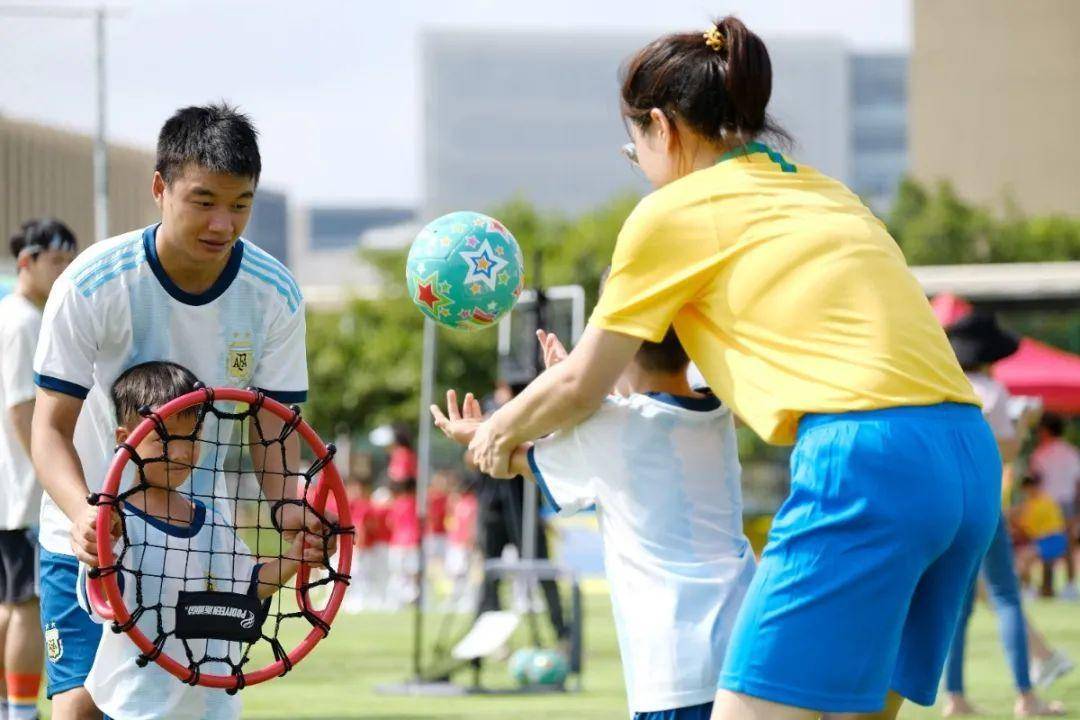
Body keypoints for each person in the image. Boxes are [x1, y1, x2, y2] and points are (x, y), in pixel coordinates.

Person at [461, 16, 1000, 719]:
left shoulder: (672, 211)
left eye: (636, 149)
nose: (642, 165)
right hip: (969, 458)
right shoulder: (826, 191)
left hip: (867, 461)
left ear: (663, 127)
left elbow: (581, 381)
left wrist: (496, 432)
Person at [30, 103, 315, 720]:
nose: (222, 222)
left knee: (189, 708)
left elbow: (275, 431)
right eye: (203, 199)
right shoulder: (92, 284)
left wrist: (289, 506)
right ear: (159, 188)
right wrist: (86, 515)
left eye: (240, 204)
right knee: (80, 705)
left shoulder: (274, 294)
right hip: (87, 538)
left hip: (195, 541)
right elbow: (49, 428)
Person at [434, 322, 754, 719]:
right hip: (748, 646)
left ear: (620, 353)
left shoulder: (612, 429)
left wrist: (477, 434)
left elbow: (516, 457)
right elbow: (637, 411)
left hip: (675, 665)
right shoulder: (718, 411)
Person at [74, 361, 327, 720]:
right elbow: (100, 599)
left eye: (191, 437)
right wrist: (97, 552)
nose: (180, 452)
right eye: (164, 438)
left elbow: (249, 584)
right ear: (124, 440)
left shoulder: (211, 522)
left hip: (210, 704)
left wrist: (295, 559)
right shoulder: (115, 524)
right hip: (137, 705)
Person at [941, 312, 1064, 717]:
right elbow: (1006, 451)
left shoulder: (943, 387)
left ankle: (954, 698)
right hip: (982, 504)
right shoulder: (993, 392)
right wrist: (1023, 423)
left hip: (946, 506)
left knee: (959, 606)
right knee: (1007, 597)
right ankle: (1027, 698)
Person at [0, 219, 75, 720]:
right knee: (27, 605)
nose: (65, 272)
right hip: (25, 492)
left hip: (12, 490)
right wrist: (53, 479)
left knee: (10, 606)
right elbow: (22, 410)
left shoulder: (15, 316)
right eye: (55, 262)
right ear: (25, 262)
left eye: (70, 262)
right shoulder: (24, 321)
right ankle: (22, 713)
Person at [1030, 414, 1080, 600]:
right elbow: (1077, 484)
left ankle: (1047, 586)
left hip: (1046, 505)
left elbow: (1035, 483)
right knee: (1068, 545)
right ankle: (1069, 585)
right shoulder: (1072, 452)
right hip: (1067, 503)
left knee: (1046, 544)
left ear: (1045, 430)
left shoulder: (1039, 454)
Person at [1012, 475, 1070, 598]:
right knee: (1025, 559)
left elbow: (1027, 528)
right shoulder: (1036, 502)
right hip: (1048, 540)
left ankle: (1029, 589)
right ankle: (1037, 589)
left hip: (1051, 539)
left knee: (1022, 559)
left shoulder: (1040, 503)